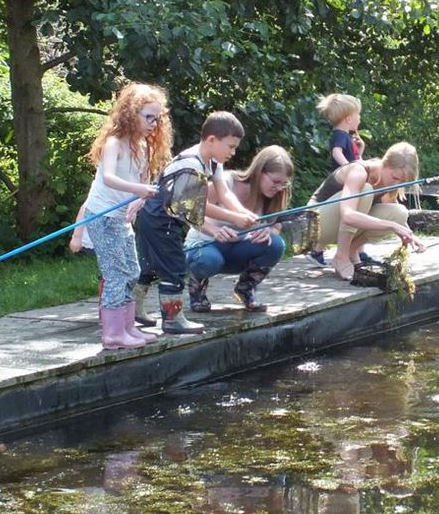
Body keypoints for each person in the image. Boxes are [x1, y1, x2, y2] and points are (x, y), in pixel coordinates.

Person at [134, 111, 256, 334]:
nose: (233, 152)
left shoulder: (213, 163)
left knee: (151, 265)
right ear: (212, 139)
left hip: (170, 217)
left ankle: (135, 309)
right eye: (230, 146)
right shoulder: (190, 165)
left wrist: (243, 213)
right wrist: (231, 220)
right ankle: (172, 319)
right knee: (174, 267)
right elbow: (191, 205)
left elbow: (224, 193)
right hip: (159, 219)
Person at [80, 82, 172, 350]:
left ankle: (128, 327)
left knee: (132, 270)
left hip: (121, 218)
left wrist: (140, 200)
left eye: (158, 118)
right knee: (115, 274)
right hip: (102, 216)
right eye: (149, 117)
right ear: (131, 114)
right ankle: (112, 334)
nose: (154, 124)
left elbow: (143, 183)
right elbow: (109, 178)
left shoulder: (143, 146)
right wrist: (139, 190)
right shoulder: (114, 143)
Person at [185, 145, 293, 313]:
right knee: (208, 261)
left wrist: (269, 232)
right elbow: (190, 209)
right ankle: (197, 289)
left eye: (284, 184)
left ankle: (245, 288)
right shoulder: (227, 181)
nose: (279, 188)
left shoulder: (276, 196)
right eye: (275, 182)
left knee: (276, 245)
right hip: (205, 246)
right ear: (260, 172)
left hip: (236, 249)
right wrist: (214, 229)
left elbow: (276, 225)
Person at [308, 141, 427, 281]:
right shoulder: (359, 171)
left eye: (402, 182)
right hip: (313, 224)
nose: (397, 184)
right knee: (366, 191)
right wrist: (392, 226)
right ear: (385, 163)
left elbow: (393, 215)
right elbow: (348, 215)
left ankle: (352, 249)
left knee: (400, 213)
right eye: (395, 178)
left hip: (336, 226)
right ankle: (342, 256)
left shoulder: (388, 181)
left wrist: (409, 235)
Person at [307, 93, 367, 267]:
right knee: (342, 216)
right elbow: (336, 153)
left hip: (348, 181)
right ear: (348, 119)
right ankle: (317, 250)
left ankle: (358, 252)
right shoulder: (340, 135)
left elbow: (358, 160)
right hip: (342, 182)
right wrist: (350, 168)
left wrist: (360, 150)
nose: (360, 118)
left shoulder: (347, 137)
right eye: (358, 115)